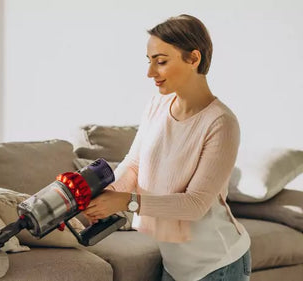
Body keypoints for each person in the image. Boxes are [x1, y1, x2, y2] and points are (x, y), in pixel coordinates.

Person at [83, 14, 251, 281]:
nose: (151, 73)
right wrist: (107, 195)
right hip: (176, 266)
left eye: (161, 62)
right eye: (150, 62)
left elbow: (195, 204)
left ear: (194, 58)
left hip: (219, 265)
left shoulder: (221, 123)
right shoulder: (156, 106)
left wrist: (126, 202)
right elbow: (135, 164)